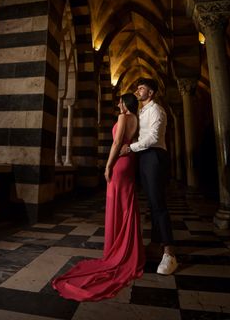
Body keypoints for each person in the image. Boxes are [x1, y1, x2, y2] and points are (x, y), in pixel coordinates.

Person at [52, 93, 144, 301]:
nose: (118, 104)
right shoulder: (136, 120)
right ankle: (128, 251)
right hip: (130, 163)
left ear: (126, 103)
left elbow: (117, 142)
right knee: (127, 204)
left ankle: (117, 252)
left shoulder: (123, 118)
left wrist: (108, 165)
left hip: (119, 165)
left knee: (116, 204)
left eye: (120, 101)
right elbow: (131, 143)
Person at [121, 78, 177, 275]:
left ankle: (169, 252)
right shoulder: (143, 111)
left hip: (154, 156)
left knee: (159, 204)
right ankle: (155, 244)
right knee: (152, 204)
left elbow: (153, 138)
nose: (138, 91)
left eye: (141, 88)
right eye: (137, 88)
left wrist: (130, 148)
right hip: (145, 157)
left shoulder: (156, 110)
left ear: (150, 93)